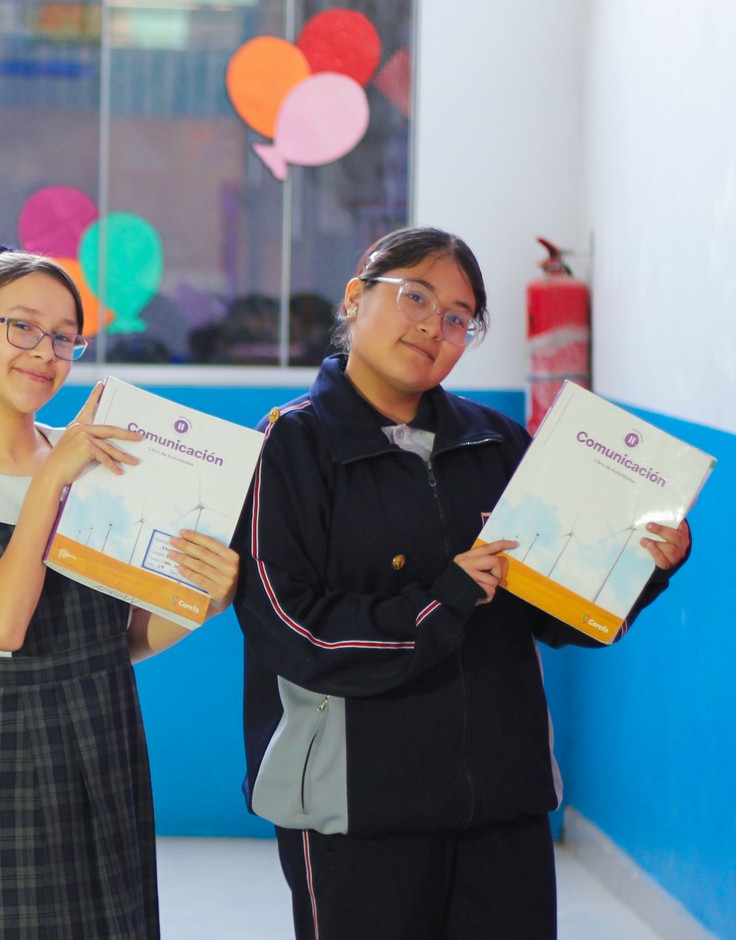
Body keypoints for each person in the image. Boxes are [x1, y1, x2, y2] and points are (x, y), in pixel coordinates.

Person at [232, 227, 692, 939]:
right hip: (358, 808)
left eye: (458, 318)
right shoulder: (289, 445)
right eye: (415, 297)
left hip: (503, 802)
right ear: (355, 297)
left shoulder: (499, 443)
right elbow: (290, 628)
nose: (433, 327)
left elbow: (557, 617)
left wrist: (640, 569)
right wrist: (438, 603)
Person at [0, 247, 240, 939]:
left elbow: (120, 643)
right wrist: (51, 481)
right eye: (23, 327)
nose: (45, 352)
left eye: (64, 337)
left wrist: (204, 600)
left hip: (106, 729)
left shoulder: (96, 461)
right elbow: (4, 625)